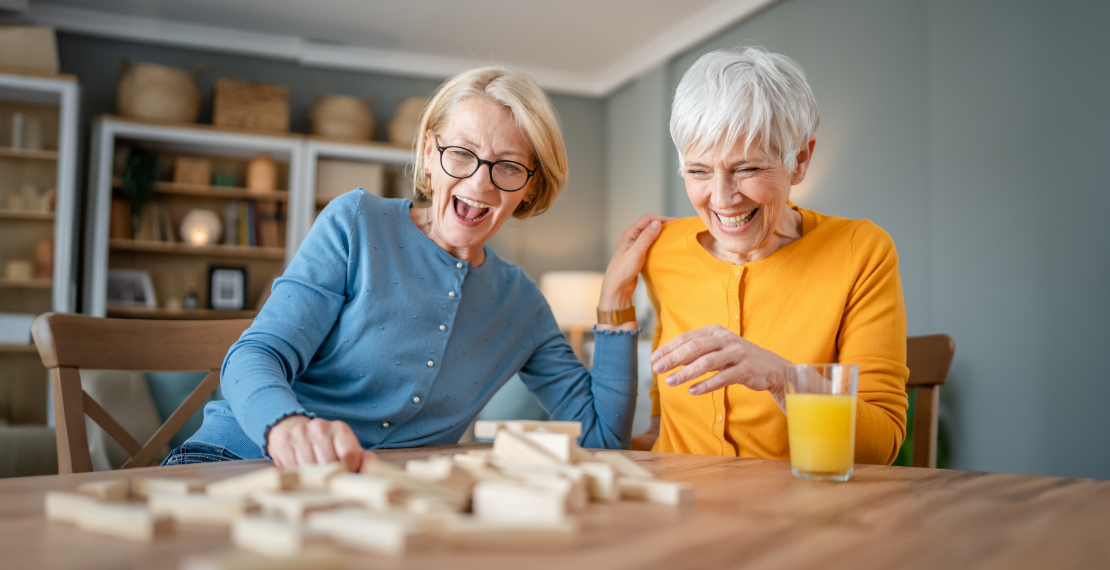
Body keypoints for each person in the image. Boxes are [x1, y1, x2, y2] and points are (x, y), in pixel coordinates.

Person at [165, 66, 666, 469]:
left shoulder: (521, 303)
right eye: (461, 154)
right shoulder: (357, 222)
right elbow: (257, 353)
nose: (480, 183)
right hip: (235, 460)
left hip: (372, 507)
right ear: (429, 153)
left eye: (508, 166)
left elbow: (603, 438)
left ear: (530, 187)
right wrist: (287, 425)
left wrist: (614, 302)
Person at [630, 46, 909, 463]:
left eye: (748, 169)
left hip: (794, 515)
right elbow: (660, 402)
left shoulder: (860, 251)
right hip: (677, 508)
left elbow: (880, 445)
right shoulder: (662, 248)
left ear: (799, 159)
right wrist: (612, 298)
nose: (722, 199)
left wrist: (783, 380)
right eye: (698, 171)